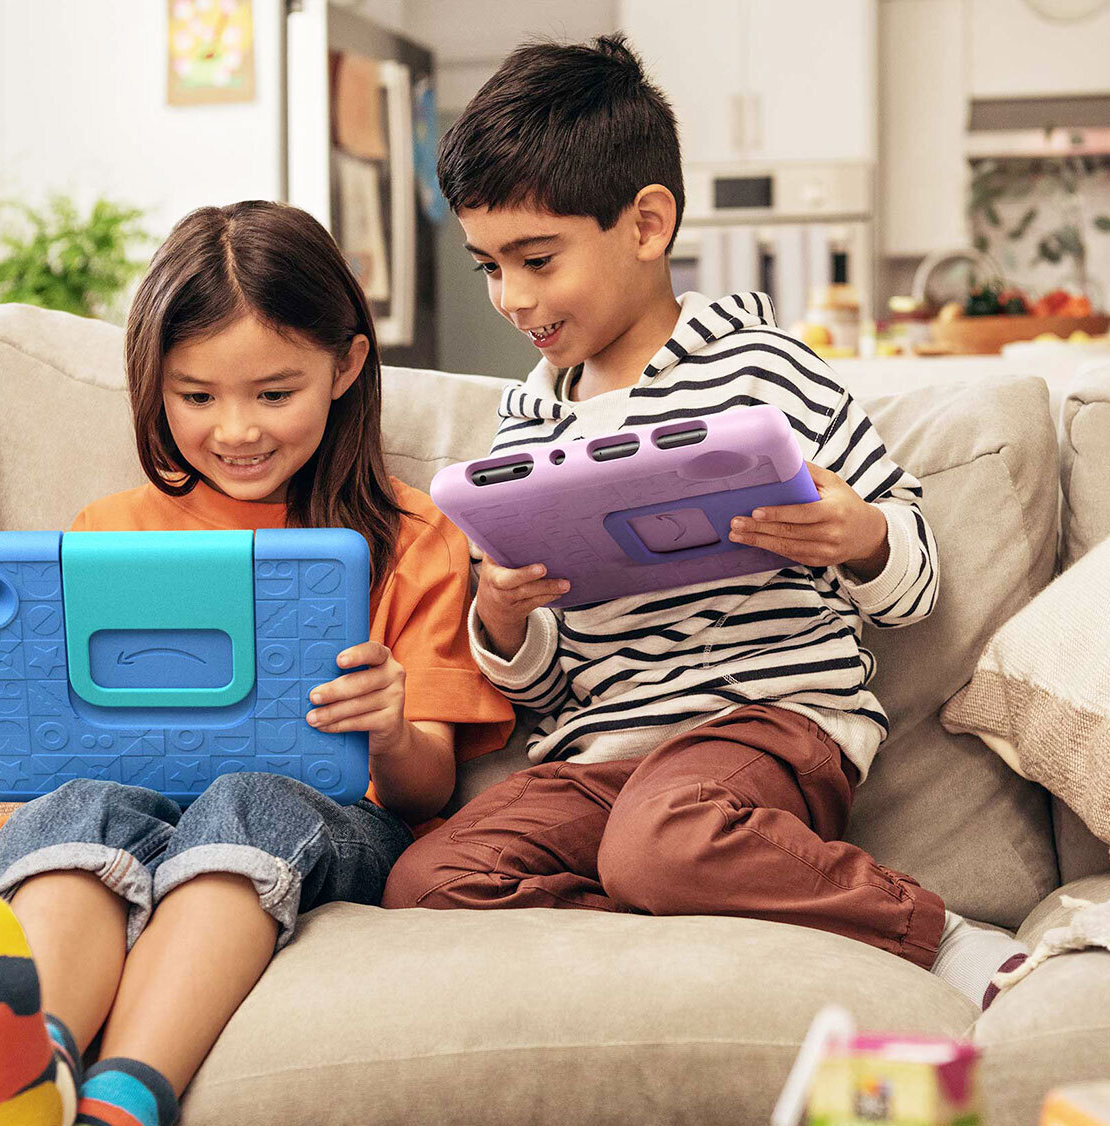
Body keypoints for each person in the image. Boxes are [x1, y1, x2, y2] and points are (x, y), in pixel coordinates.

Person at [382, 35, 1028, 1009]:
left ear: (644, 225)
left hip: (763, 726)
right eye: (486, 267)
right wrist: (505, 618)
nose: (510, 298)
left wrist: (858, 535)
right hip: (600, 761)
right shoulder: (525, 421)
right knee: (422, 880)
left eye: (535, 259)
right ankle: (674, 897)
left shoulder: (760, 369)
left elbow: (916, 575)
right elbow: (542, 675)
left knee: (660, 838)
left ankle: (927, 931)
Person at [0, 201, 513, 1126]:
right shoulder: (109, 533)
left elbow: (427, 791)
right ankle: (32, 1073)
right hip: (124, 806)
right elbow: (57, 738)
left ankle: (123, 1099)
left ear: (346, 366)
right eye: (197, 397)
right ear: (154, 384)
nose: (236, 430)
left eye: (274, 394)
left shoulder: (413, 536)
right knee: (78, 806)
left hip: (322, 819)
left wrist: (390, 726)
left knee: (249, 798)